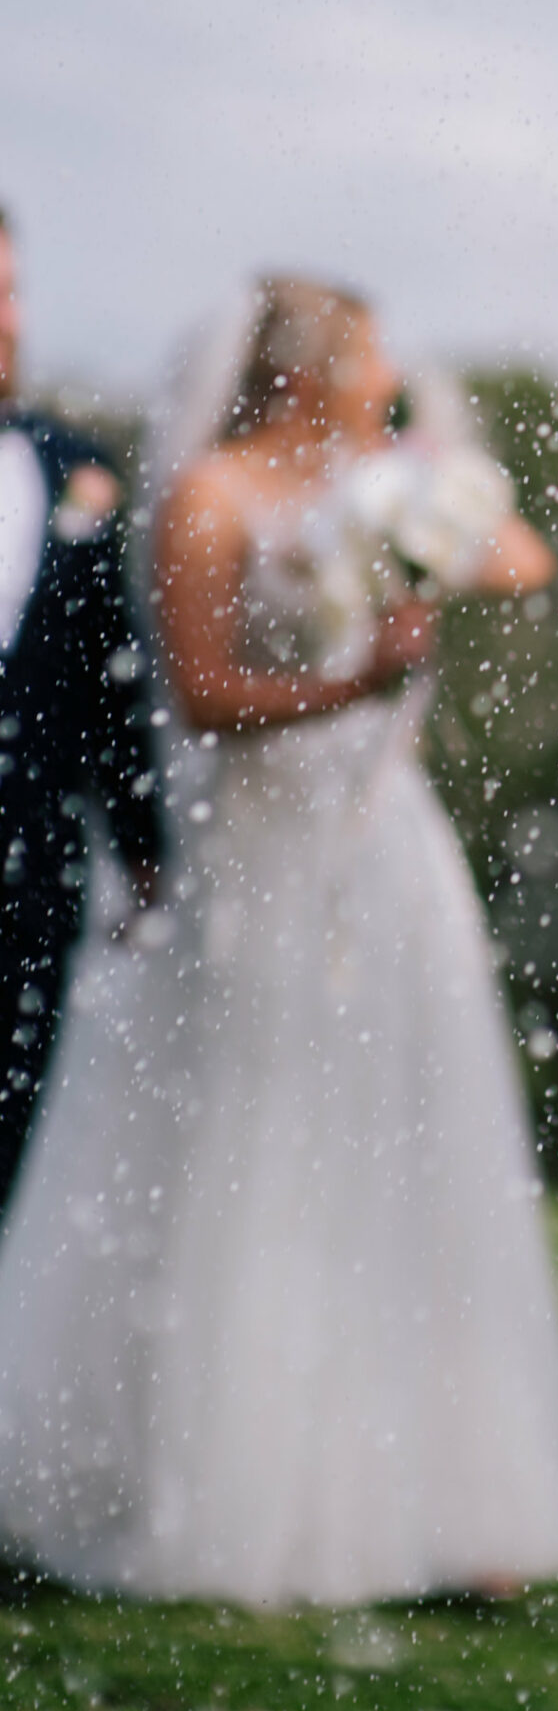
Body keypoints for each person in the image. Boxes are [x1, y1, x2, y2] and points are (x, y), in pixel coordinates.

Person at [0, 277, 558, 1606]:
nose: (392, 374)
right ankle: (220, 1496)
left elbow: (521, 561)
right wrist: (356, 677)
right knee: (253, 1160)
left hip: (390, 853)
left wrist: (425, 535)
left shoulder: (392, 480)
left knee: (411, 1149)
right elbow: (206, 695)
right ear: (309, 366)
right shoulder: (208, 498)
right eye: (371, 353)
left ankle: (438, 1501)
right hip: (259, 863)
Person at [0, 207, 164, 1212]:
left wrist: (145, 850)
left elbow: (112, 680)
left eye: (9, 291)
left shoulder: (76, 467)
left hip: (29, 873)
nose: (4, 320)